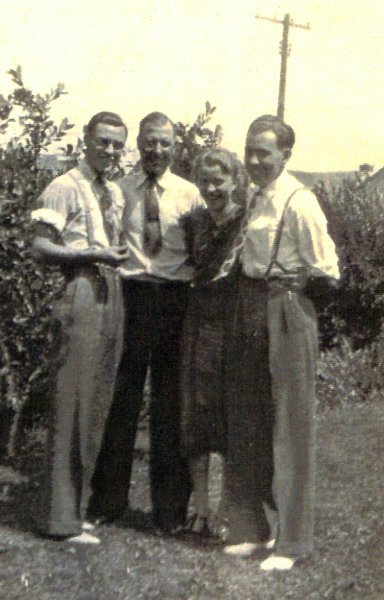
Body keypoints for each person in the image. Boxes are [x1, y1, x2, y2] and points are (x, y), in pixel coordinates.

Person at [223, 115, 339, 570]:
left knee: (290, 424)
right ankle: (254, 528)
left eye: (264, 152)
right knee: (248, 418)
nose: (253, 160)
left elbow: (328, 270)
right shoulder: (256, 196)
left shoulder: (299, 200)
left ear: (285, 155)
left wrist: (300, 282)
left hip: (288, 310)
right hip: (251, 305)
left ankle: (292, 542)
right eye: (249, 150)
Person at [90, 112, 205, 533]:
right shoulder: (120, 192)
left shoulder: (190, 194)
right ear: (138, 144)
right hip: (132, 298)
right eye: (149, 143)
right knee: (120, 401)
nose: (156, 151)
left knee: (170, 404)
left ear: (175, 146)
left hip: (175, 300)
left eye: (164, 143)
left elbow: (201, 250)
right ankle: (107, 500)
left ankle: (170, 510)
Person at [31, 111, 128, 544]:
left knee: (96, 403)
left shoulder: (112, 191)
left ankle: (77, 509)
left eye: (116, 144)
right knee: (71, 402)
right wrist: (89, 255)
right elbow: (40, 246)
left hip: (111, 289)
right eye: (102, 141)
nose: (109, 150)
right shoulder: (64, 186)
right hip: (81, 289)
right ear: (85, 141)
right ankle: (60, 519)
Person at [180, 147, 246, 535]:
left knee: (229, 412)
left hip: (233, 325)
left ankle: (225, 508)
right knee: (196, 409)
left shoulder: (248, 223)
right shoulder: (193, 222)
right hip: (197, 323)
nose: (210, 188)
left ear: (235, 180)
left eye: (218, 181)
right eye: (203, 181)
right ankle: (199, 505)